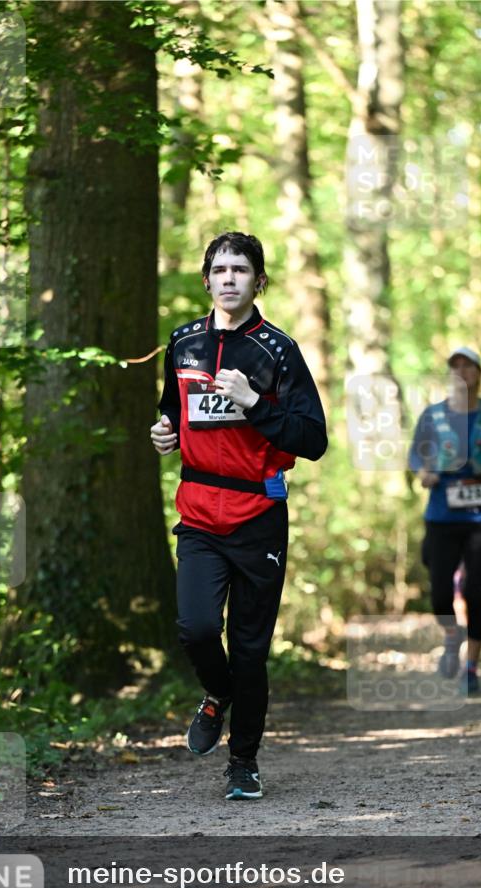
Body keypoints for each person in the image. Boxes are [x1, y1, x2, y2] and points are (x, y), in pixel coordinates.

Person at [150, 232, 328, 799]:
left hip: (258, 514)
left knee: (250, 651)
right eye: (220, 269)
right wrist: (165, 434)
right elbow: (173, 411)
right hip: (200, 511)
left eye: (241, 269)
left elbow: (313, 439)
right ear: (207, 281)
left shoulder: (278, 351)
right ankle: (217, 692)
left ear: (259, 281)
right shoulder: (183, 343)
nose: (229, 278)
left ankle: (243, 762)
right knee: (197, 628)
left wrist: (253, 402)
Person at [409, 347, 481, 694]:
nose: (461, 372)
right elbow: (415, 457)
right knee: (441, 595)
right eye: (454, 367)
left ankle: (470, 667)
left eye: (467, 366)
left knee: (476, 591)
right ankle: (452, 635)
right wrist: (424, 474)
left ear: (478, 373)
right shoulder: (433, 416)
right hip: (442, 514)